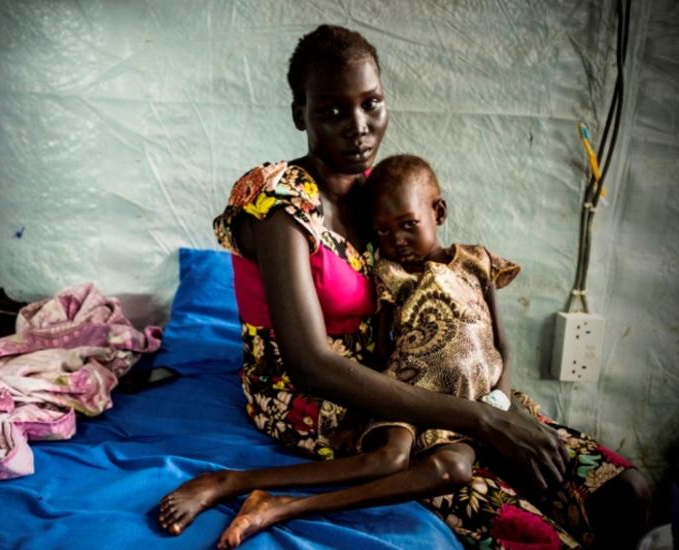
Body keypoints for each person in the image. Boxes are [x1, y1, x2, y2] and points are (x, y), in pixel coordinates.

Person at [158, 24, 650, 549]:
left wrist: (498, 398)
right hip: (321, 402)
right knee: (533, 528)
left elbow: (449, 283)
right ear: (299, 113)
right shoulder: (277, 201)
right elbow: (311, 364)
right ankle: (250, 490)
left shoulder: (380, 195)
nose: (359, 128)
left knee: (628, 493)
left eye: (372, 104)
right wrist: (482, 420)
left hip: (407, 377)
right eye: (331, 111)